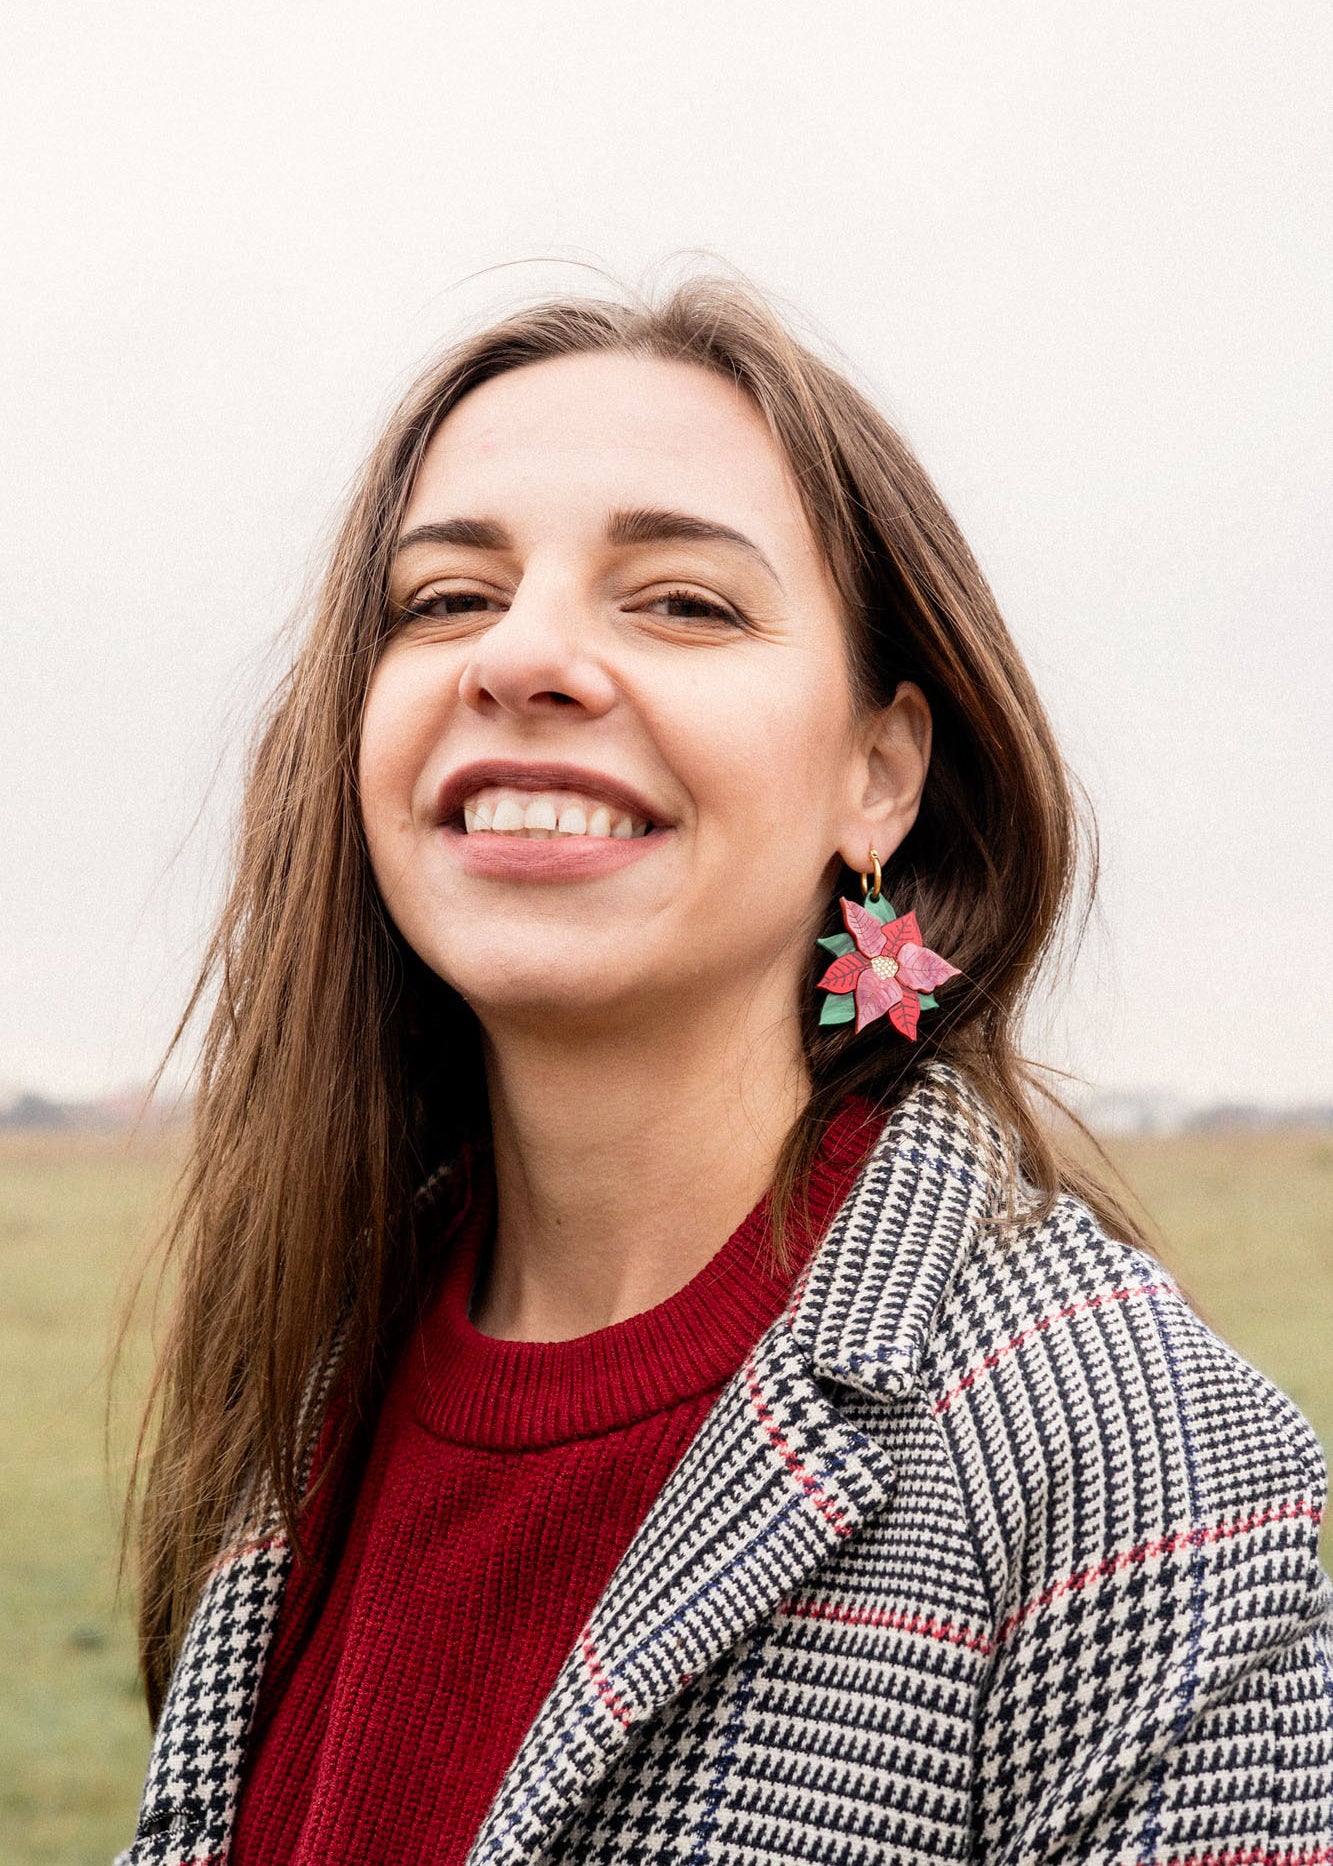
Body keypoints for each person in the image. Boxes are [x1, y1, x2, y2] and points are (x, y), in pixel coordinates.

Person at [118, 279, 1333, 1866]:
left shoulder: (1132, 1459)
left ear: (876, 772)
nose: (524, 654)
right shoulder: (302, 1372)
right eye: (442, 599)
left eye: (682, 601)